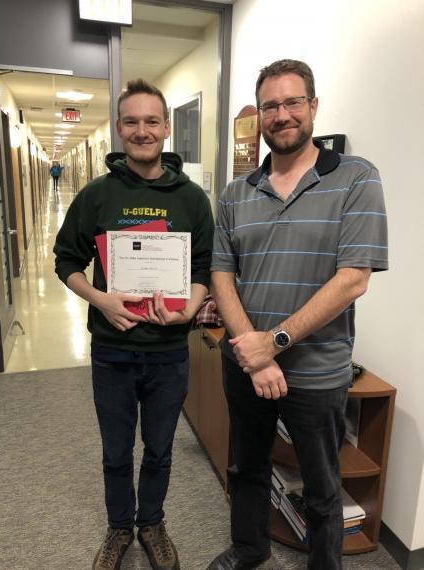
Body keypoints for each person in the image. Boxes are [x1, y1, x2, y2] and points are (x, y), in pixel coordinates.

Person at [208, 59, 388, 570]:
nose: (281, 114)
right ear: (259, 115)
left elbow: (354, 277)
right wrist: (255, 354)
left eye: (292, 103)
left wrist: (276, 343)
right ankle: (249, 550)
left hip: (316, 372)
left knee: (321, 486)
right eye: (270, 105)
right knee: (246, 468)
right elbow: (222, 276)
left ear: (313, 106)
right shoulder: (236, 192)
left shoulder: (356, 178)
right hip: (246, 365)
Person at [54, 79, 214, 570]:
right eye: (131, 121)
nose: (142, 131)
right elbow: (66, 261)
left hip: (167, 352)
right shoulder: (97, 195)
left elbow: (204, 269)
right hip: (113, 349)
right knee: (117, 450)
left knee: (161, 449)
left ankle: (153, 524)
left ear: (166, 129)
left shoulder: (192, 199)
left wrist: (190, 309)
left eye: (151, 121)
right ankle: (120, 527)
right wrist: (100, 298)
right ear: (119, 130)